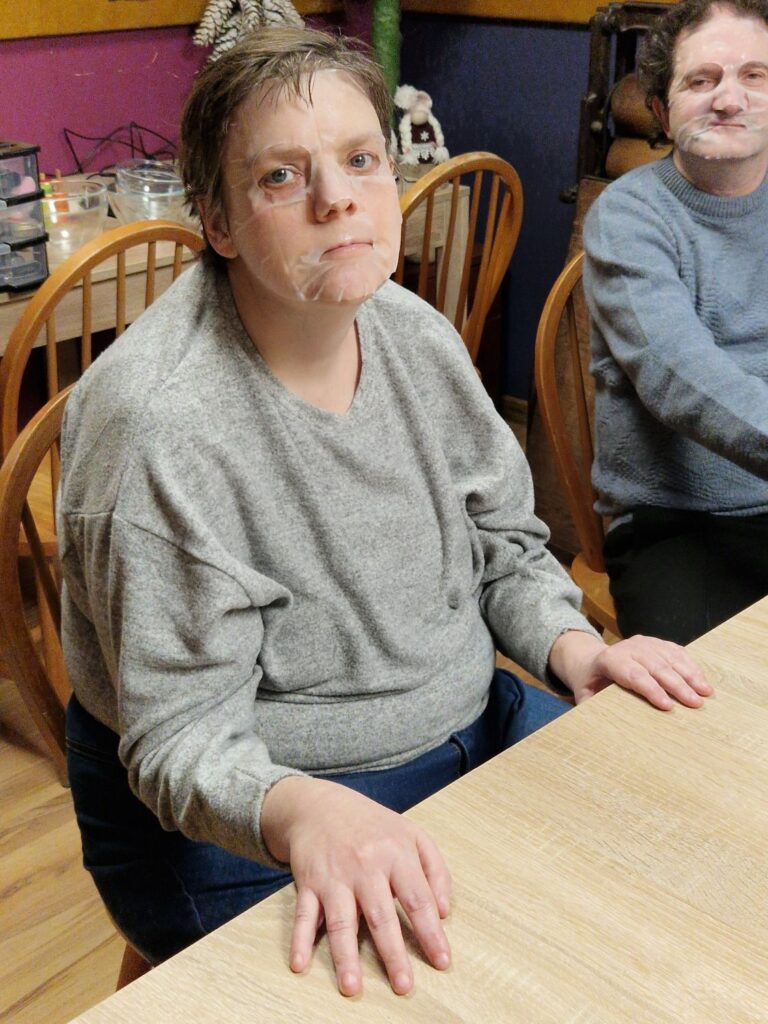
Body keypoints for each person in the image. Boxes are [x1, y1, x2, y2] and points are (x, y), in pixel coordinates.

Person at [58, 27, 711, 998]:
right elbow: (181, 738)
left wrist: (574, 647)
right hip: (250, 806)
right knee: (481, 987)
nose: (337, 200)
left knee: (668, 870)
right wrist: (303, 812)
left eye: (361, 160)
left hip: (468, 723)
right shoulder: (161, 425)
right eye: (282, 176)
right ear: (219, 221)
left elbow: (501, 544)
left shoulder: (414, 334)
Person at [583, 0, 768, 645]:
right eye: (701, 80)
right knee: (714, 699)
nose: (728, 99)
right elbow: (678, 377)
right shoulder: (628, 216)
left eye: (754, 76)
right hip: (675, 523)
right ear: (662, 112)